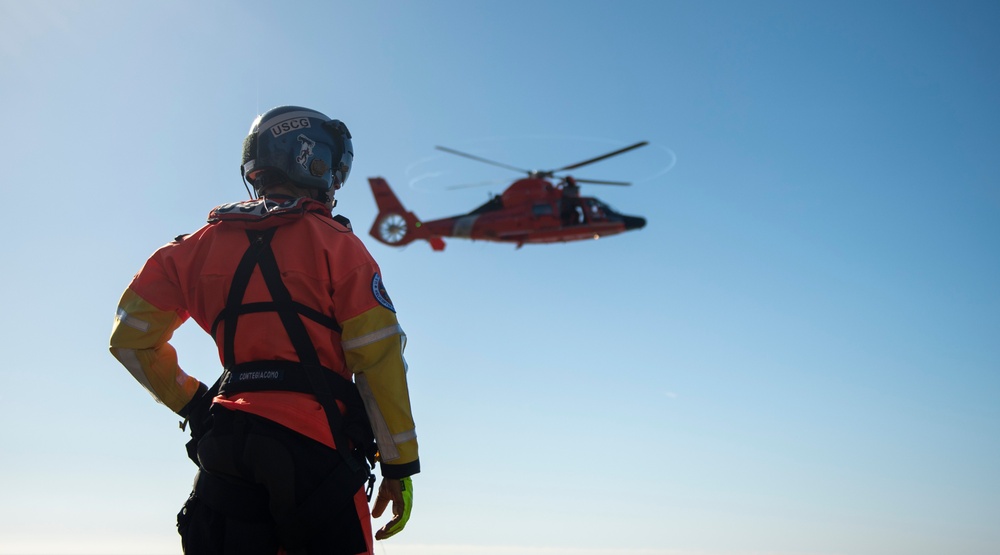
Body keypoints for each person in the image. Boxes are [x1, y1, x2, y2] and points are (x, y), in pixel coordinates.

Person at [109, 105, 419, 555]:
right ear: (309, 158)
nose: (334, 181)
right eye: (332, 168)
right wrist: (398, 466)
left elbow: (130, 340)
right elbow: (379, 357)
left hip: (224, 449)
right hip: (315, 453)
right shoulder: (339, 246)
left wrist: (195, 402)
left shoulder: (189, 250)